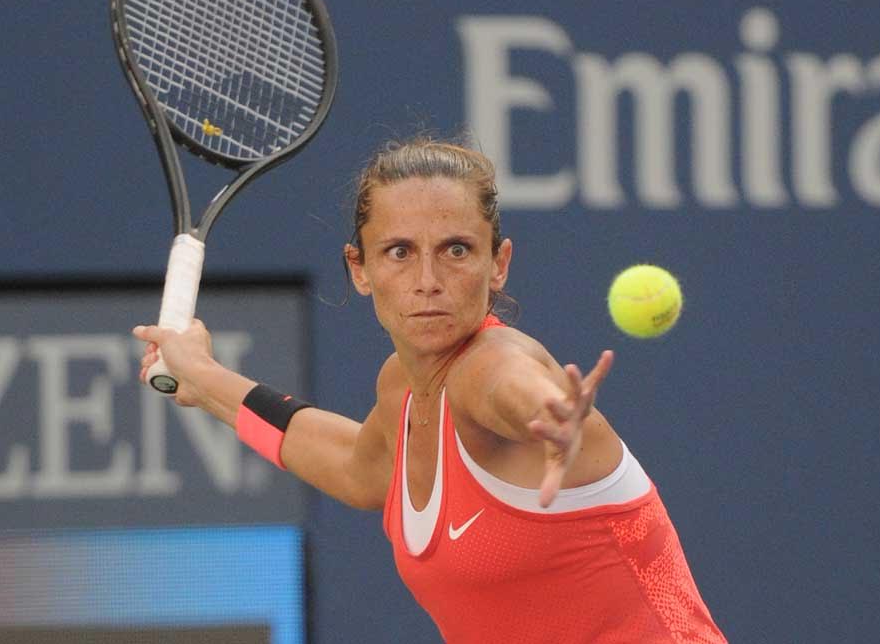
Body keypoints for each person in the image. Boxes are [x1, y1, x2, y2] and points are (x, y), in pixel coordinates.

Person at [133, 135, 727, 643]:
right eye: (399, 253)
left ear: (499, 264)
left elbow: (514, 388)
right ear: (359, 269)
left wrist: (552, 417)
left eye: (457, 251)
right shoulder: (402, 390)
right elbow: (356, 467)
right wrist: (205, 378)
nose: (427, 282)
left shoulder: (491, 367)